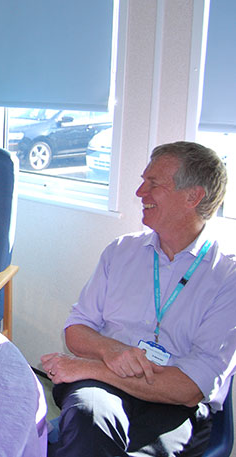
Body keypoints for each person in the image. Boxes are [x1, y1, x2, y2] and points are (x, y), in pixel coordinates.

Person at [41, 141, 236, 456]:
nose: (139, 192)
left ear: (193, 196)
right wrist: (112, 350)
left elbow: (190, 389)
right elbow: (77, 328)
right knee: (89, 420)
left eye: (153, 183)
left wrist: (93, 368)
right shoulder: (121, 251)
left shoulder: (227, 277)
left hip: (174, 406)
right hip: (100, 392)